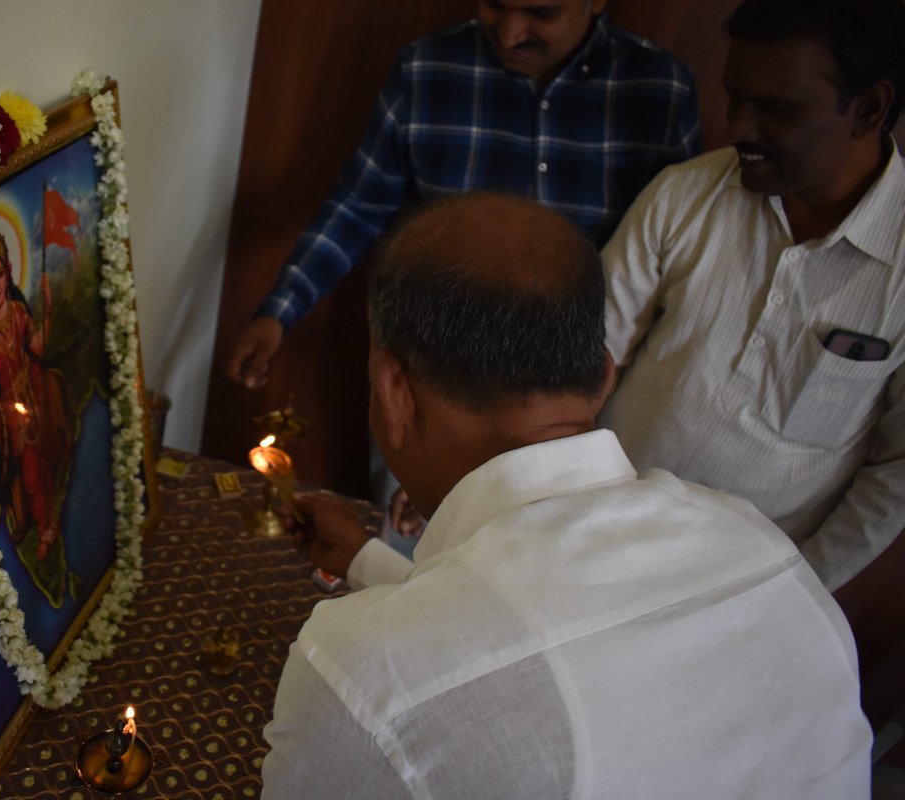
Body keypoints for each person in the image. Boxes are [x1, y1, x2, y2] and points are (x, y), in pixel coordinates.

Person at [260, 193, 870, 798]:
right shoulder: (763, 550)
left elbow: (473, 673)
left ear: (393, 393)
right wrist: (367, 561)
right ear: (603, 376)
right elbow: (564, 641)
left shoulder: (360, 673)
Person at [226, 0, 700, 389]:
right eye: (495, 5)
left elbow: (677, 259)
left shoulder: (661, 91)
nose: (511, 34)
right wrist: (279, 313)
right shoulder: (424, 69)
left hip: (574, 387)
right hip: (430, 373)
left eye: (540, 12)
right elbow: (359, 207)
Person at [599, 0, 905, 592]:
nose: (737, 127)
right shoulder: (683, 197)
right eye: (735, 96)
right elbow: (589, 358)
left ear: (869, 109)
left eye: (776, 109)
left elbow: (896, 473)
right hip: (599, 526)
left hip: (740, 589)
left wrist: (792, 591)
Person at [0, 211, 72, 561]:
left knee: (49, 455)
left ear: (9, 273)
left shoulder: (19, 312)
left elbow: (36, 349)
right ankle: (45, 528)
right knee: (28, 473)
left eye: (0, 275)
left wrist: (49, 310)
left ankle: (51, 518)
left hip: (36, 391)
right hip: (12, 414)